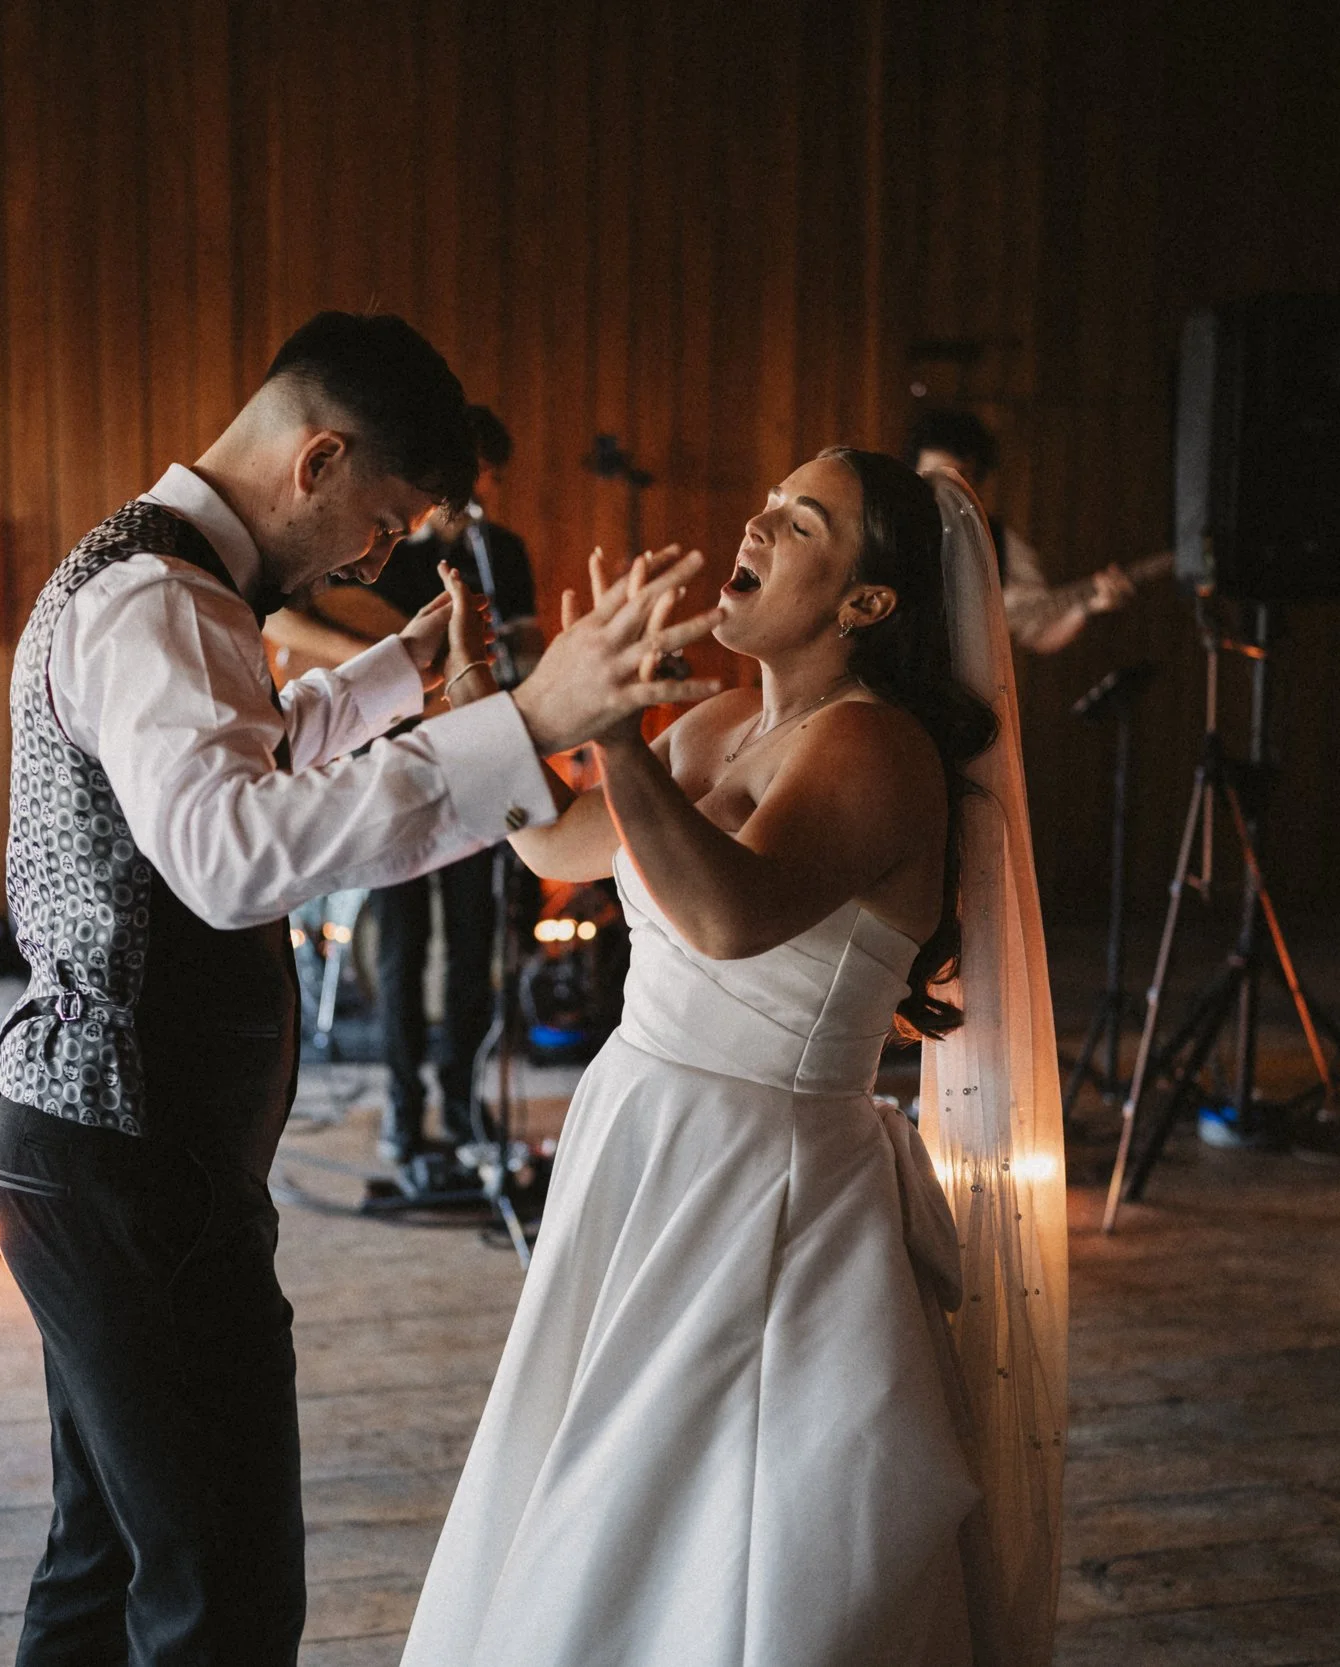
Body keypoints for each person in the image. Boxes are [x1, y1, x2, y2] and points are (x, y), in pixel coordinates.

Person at [0, 311, 719, 1666]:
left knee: (105, 1561)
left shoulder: (158, 575)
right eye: (383, 520)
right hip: (132, 1167)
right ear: (317, 457)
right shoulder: (162, 597)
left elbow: (236, 763)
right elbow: (226, 854)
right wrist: (532, 722)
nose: (380, 557)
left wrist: (403, 672)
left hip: (97, 1148)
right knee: (221, 1594)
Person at [405, 448, 1043, 1664]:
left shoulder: (878, 749)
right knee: (600, 1462)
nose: (754, 521)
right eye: (768, 499)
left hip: (766, 1172)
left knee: (720, 1510)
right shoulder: (718, 722)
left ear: (865, 603)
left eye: (798, 522)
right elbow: (563, 848)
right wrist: (483, 686)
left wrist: (618, 737)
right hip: (643, 1128)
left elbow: (730, 916)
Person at [366, 406, 541, 1166]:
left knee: (474, 942)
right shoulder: (392, 552)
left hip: (479, 756)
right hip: (401, 762)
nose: (479, 490)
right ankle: (403, 1112)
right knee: (404, 947)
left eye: (488, 477)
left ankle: (463, 1099)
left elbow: (526, 650)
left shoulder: (502, 551)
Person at [907, 407, 1136, 654]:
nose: (944, 491)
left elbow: (1039, 633)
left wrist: (1087, 607)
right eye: (931, 478)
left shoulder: (999, 544)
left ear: (975, 480)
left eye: (957, 479)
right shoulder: (886, 533)